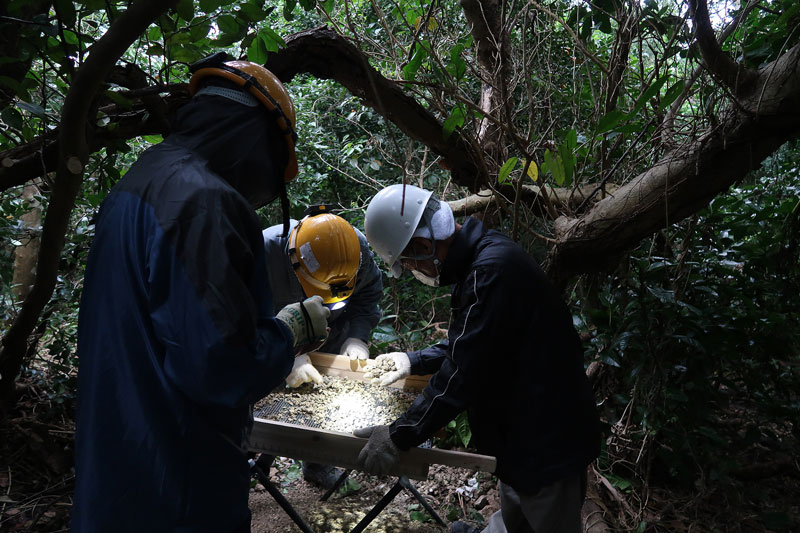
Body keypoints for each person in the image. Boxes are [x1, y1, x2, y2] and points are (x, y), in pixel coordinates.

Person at [72, 53, 331, 533]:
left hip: (115, 471)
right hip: (177, 487)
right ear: (258, 140)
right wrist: (289, 331)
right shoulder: (204, 201)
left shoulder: (139, 180)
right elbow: (220, 368)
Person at [354, 184, 601, 533]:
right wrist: (413, 361)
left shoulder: (490, 271)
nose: (412, 270)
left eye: (408, 263)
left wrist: (398, 435)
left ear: (425, 246)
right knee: (516, 517)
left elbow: (464, 369)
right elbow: (477, 343)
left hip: (547, 442)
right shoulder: (483, 260)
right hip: (520, 437)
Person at [260, 206, 383, 487]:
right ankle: (255, 463)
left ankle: (316, 463)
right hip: (274, 336)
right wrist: (288, 351)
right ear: (296, 264)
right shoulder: (264, 251)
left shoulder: (354, 250)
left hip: (332, 335)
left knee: (320, 401)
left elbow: (368, 296)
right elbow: (241, 315)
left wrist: (358, 338)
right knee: (268, 404)